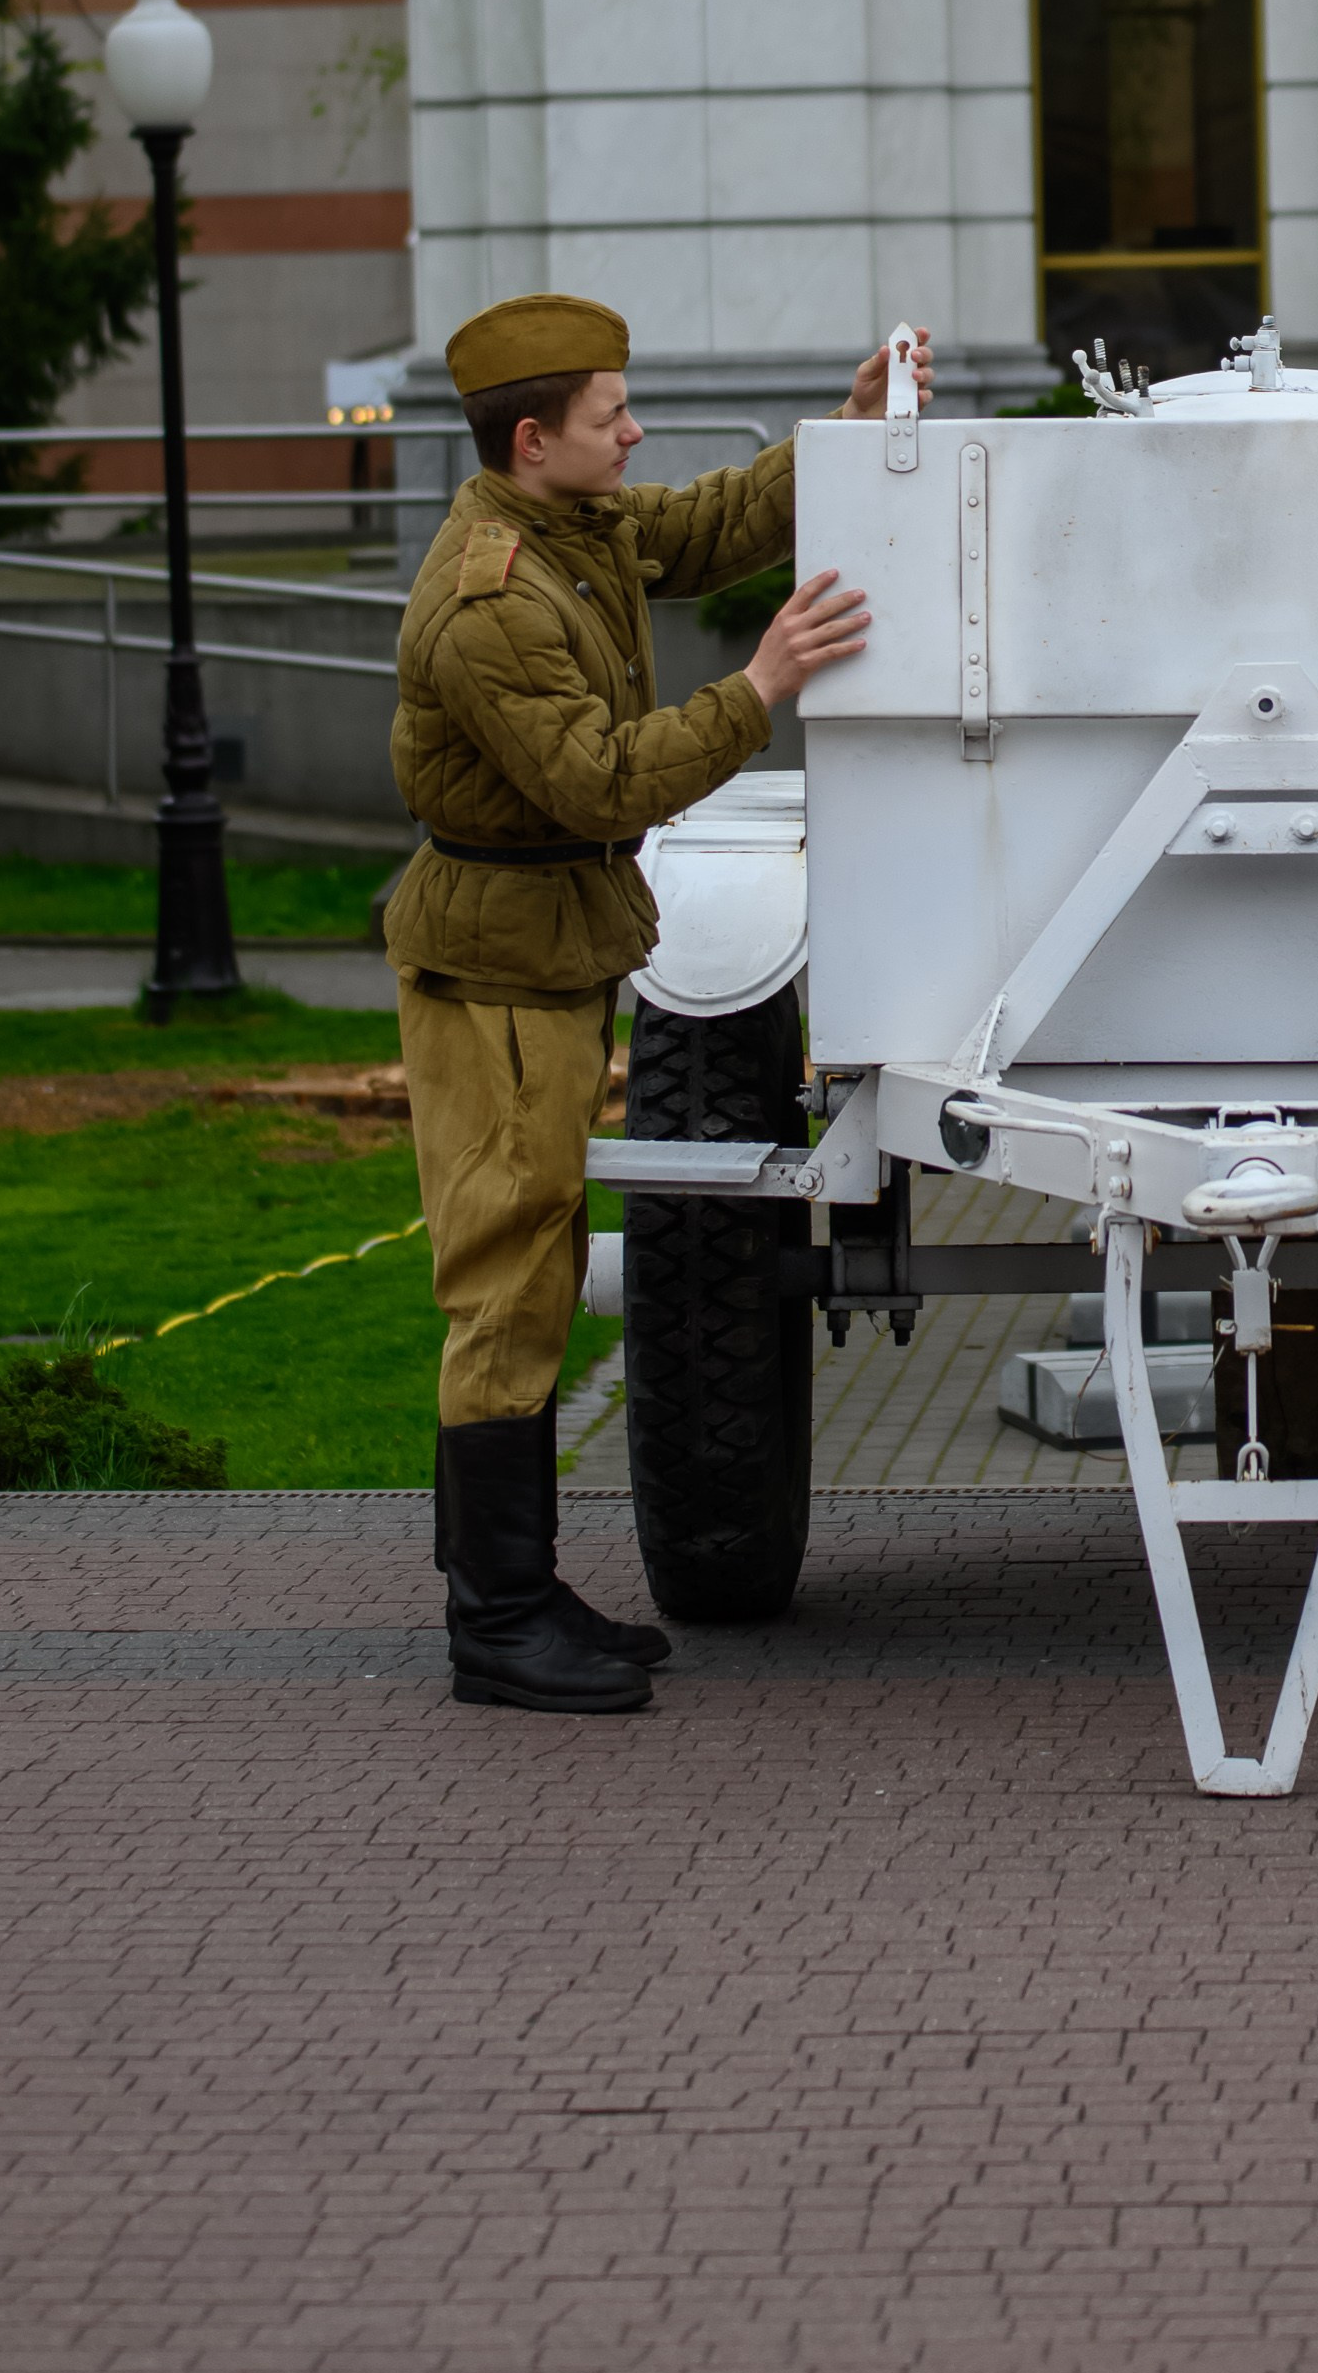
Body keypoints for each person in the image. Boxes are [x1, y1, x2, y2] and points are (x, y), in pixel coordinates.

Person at [385, 294, 925, 1715]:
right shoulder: (493, 598)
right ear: (529, 439)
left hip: (547, 945)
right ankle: (494, 1622)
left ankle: (515, 1592)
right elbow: (604, 781)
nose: (633, 434)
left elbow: (704, 526)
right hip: (499, 962)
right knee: (507, 1275)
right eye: (609, 416)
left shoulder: (573, 527)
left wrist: (845, 433)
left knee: (545, 1257)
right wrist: (761, 685)